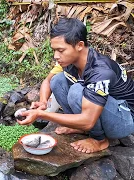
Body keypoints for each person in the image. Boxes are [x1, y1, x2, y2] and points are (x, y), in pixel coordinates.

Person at [16, 18, 134, 153]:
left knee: (77, 91)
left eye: (60, 50)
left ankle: (99, 140)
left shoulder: (100, 71)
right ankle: (81, 128)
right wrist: (43, 102)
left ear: (79, 45)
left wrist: (40, 114)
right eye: (54, 50)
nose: (56, 56)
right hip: (104, 110)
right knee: (58, 80)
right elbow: (48, 81)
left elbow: (89, 120)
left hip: (125, 119)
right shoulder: (69, 60)